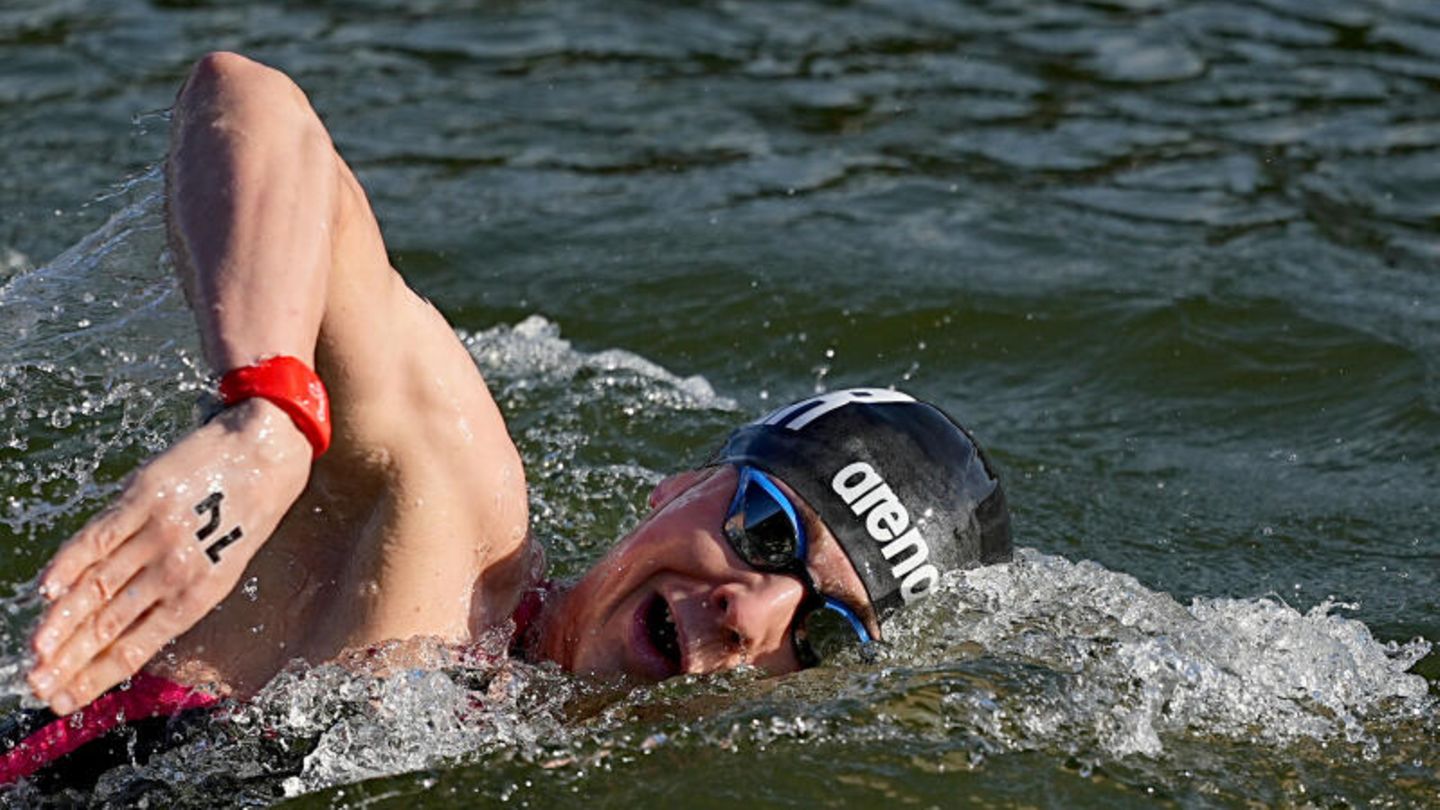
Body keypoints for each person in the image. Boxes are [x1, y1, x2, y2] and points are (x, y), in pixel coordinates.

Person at [19, 52, 1012, 749]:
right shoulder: (445, 535)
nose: (751, 611)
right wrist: (269, 416)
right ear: (681, 486)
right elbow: (255, 103)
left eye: (825, 634)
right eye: (764, 529)